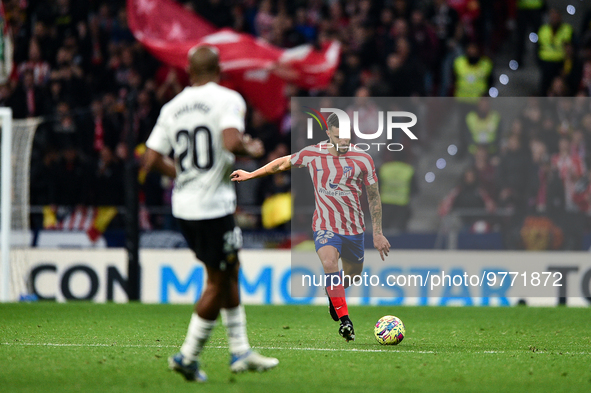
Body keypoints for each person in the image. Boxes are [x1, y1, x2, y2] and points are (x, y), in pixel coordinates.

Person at [142, 46, 278, 382]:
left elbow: (150, 158)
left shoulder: (172, 107)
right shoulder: (227, 99)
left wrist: (185, 175)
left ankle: (240, 351)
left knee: (228, 271)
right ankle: (187, 356)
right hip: (213, 208)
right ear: (220, 69)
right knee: (218, 281)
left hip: (184, 207)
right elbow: (231, 141)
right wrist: (252, 149)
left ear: (189, 71)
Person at [231, 113, 391, 342]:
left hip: (353, 228)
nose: (343, 142)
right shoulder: (313, 153)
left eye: (347, 137)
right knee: (328, 262)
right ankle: (346, 322)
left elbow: (374, 197)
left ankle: (333, 292)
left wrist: (377, 233)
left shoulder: (363, 159)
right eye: (338, 137)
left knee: (354, 275)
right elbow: (282, 163)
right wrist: (251, 174)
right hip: (325, 225)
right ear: (328, 134)